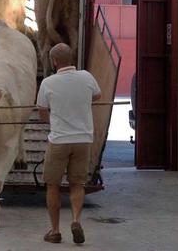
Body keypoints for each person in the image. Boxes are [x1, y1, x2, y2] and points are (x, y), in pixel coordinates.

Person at [36, 43, 101, 244]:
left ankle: (55, 231)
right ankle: (75, 220)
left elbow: (42, 113)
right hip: (83, 140)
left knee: (53, 185)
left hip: (59, 140)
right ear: (72, 59)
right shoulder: (87, 77)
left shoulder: (48, 83)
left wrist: (56, 118)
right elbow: (97, 96)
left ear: (54, 61)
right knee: (77, 184)